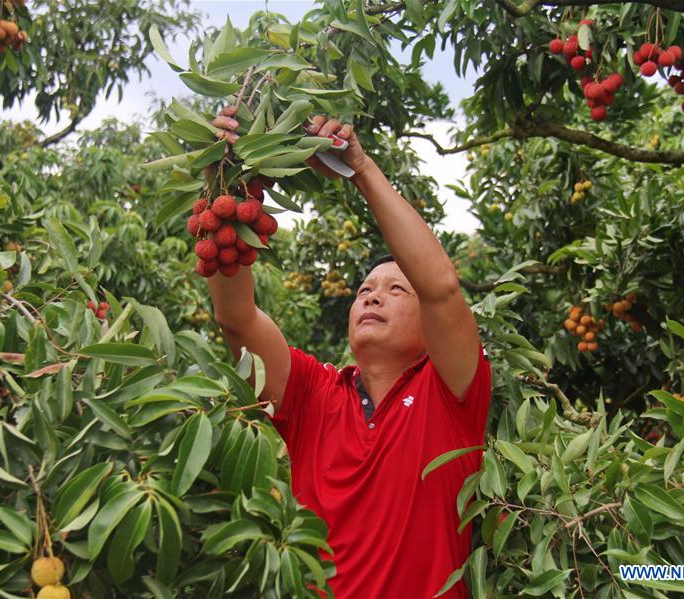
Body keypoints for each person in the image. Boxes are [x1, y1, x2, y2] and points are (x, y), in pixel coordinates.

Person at [207, 106, 492, 599]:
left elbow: (442, 289)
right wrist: (224, 184)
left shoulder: (451, 395)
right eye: (364, 290)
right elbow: (237, 318)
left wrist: (359, 168)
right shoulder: (313, 394)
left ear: (431, 328)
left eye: (396, 291)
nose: (372, 296)